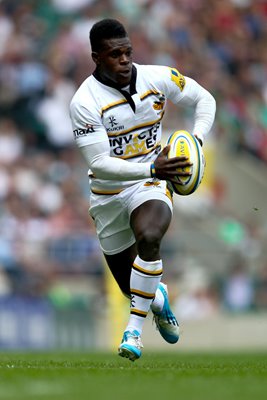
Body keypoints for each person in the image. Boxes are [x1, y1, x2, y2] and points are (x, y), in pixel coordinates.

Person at [69, 18, 216, 361]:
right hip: (107, 195)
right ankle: (159, 300)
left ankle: (133, 333)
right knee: (131, 287)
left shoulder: (159, 77)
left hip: (151, 182)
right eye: (114, 54)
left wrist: (196, 140)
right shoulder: (84, 102)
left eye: (127, 52)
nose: (124, 60)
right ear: (96, 57)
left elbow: (204, 99)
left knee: (150, 236)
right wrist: (152, 166)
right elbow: (99, 164)